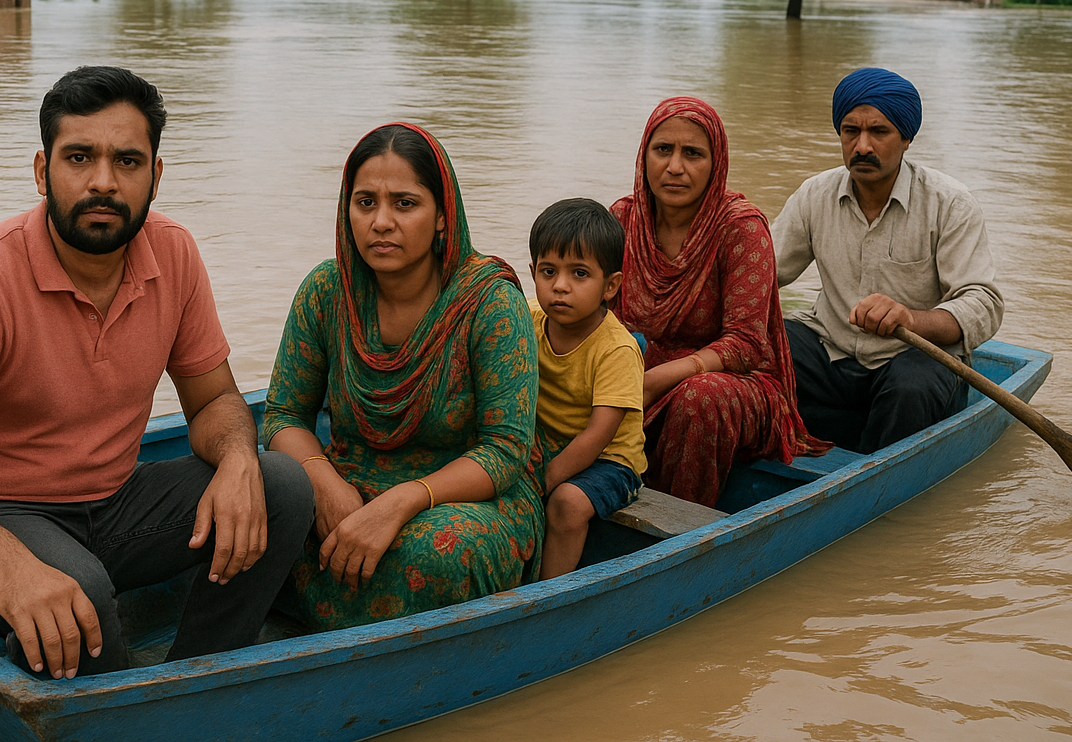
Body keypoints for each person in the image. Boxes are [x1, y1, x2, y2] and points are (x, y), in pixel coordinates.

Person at [0, 66, 313, 679]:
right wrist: (11, 566)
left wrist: (238, 459)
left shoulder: (174, 253)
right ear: (41, 169)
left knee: (281, 485)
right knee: (77, 594)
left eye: (127, 162)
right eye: (79, 157)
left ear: (156, 176)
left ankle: (198, 681)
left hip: (115, 507)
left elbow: (214, 403)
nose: (102, 182)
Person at [262, 123, 541, 630]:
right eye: (365, 202)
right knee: (247, 515)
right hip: (347, 481)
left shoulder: (490, 302)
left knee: (434, 555)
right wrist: (323, 485)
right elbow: (283, 414)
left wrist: (400, 502)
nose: (381, 222)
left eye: (404, 204)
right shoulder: (326, 291)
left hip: (463, 497)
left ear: (441, 217)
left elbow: (505, 450)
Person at [773, 67, 1004, 452]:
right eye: (851, 132)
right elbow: (761, 272)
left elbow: (984, 303)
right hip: (831, 351)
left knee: (911, 388)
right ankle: (794, 439)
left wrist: (910, 318)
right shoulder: (814, 195)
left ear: (907, 139)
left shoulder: (949, 202)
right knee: (759, 345)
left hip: (912, 357)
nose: (862, 146)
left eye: (879, 132)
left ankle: (869, 473)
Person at [612, 97, 822, 508]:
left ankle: (677, 527)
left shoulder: (741, 228)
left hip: (735, 383)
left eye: (692, 154)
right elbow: (600, 320)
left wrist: (661, 377)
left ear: (716, 163)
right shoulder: (622, 219)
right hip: (642, 372)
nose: (675, 167)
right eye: (663, 150)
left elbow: (746, 344)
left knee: (699, 398)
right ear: (644, 155)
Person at [527, 198, 646, 580]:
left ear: (610, 286)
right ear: (532, 272)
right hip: (546, 442)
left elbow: (598, 435)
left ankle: (545, 594)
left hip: (608, 460)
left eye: (579, 274)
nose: (560, 286)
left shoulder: (616, 348)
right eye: (548, 271)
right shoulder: (527, 319)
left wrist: (545, 480)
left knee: (566, 503)